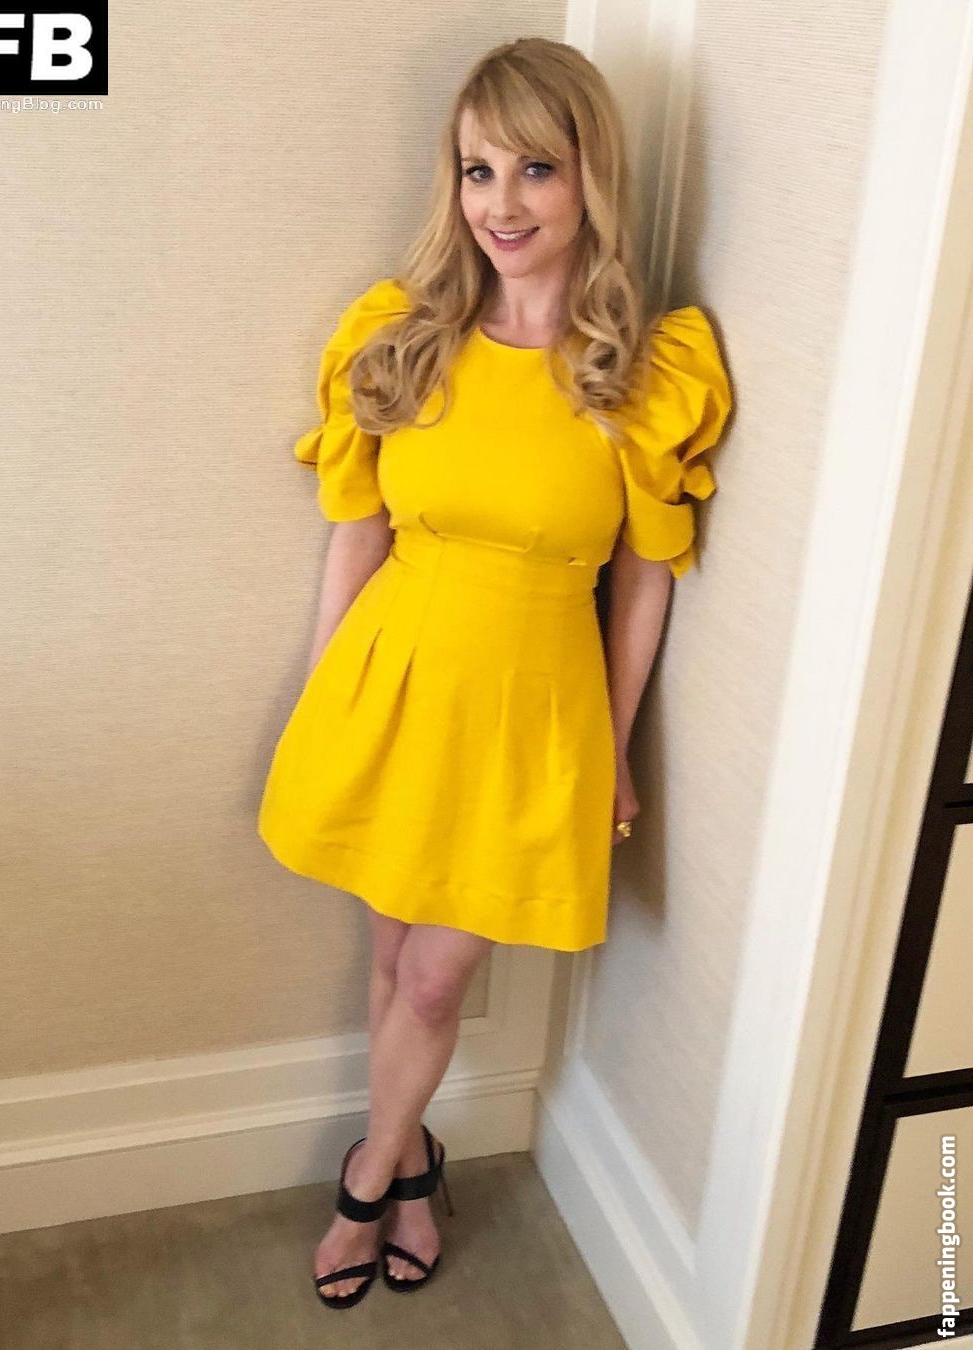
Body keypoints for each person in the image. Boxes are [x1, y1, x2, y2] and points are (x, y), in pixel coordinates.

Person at [256, 35, 733, 1308]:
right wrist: (323, 698)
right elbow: (356, 533)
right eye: (478, 170)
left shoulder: (644, 372)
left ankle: (368, 1176)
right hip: (392, 683)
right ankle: (414, 1166)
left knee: (435, 971)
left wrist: (615, 747)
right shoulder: (401, 338)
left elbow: (643, 580)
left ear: (591, 178)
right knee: (391, 958)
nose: (502, 203)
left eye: (536, 168)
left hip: (534, 709)